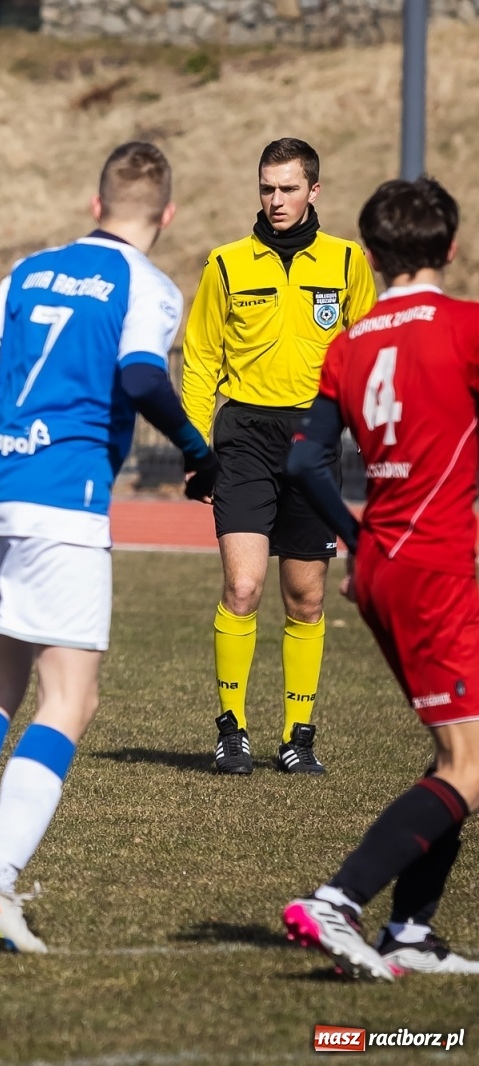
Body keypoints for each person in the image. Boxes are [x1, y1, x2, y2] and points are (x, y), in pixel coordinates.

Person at [0, 142, 219, 952]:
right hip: (62, 502)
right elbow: (144, 377)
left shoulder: (34, 267)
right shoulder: (148, 285)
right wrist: (194, 447)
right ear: (167, 215)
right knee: (72, 699)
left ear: (94, 203)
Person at [283, 177, 479, 978]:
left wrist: (359, 539)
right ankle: (338, 899)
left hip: (382, 566)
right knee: (470, 764)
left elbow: (304, 459)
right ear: (453, 248)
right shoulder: (466, 327)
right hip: (435, 564)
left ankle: (408, 934)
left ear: (371, 254)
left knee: (456, 752)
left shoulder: (351, 341)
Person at [181, 138, 378, 775]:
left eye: (288, 188)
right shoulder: (227, 263)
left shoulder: (348, 263)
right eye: (267, 187)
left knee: (306, 600)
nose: (275, 200)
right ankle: (231, 729)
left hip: (314, 443)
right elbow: (202, 359)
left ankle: (299, 735)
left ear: (313, 191)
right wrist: (196, 448)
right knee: (242, 585)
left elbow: (370, 352)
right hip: (242, 436)